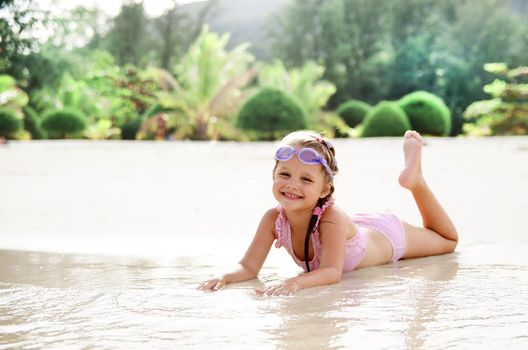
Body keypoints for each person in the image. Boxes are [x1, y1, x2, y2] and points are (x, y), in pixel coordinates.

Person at [198, 130, 458, 296]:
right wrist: (225, 277)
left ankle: (416, 182)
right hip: (354, 226)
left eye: (306, 180)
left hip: (387, 236)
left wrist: (295, 282)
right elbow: (248, 266)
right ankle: (416, 181)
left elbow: (332, 272)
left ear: (325, 190)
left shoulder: (330, 218)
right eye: (284, 174)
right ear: (273, 175)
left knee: (447, 240)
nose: (292, 185)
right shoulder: (272, 219)